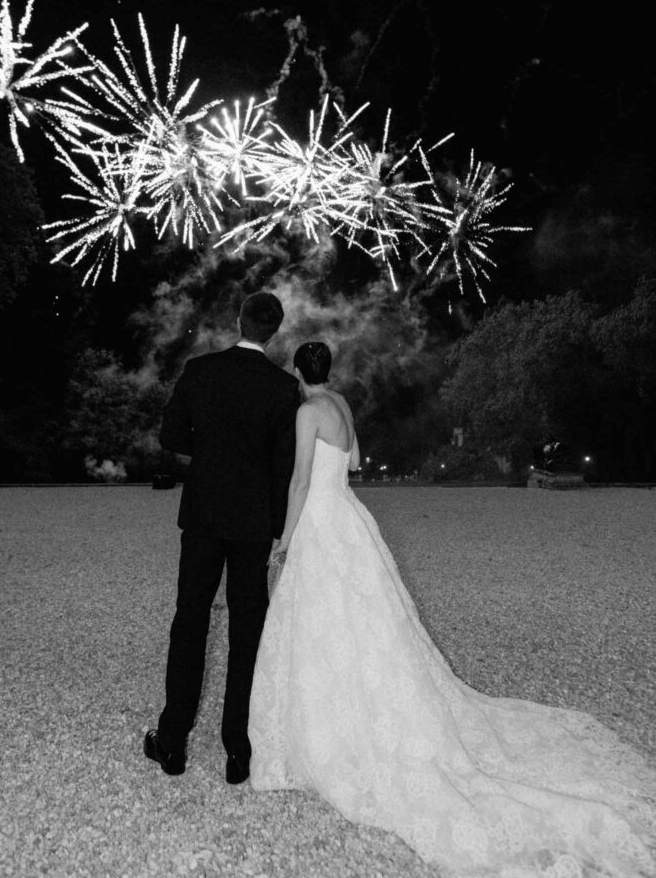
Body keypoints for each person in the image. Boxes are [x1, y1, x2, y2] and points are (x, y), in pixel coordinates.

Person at [249, 342, 656, 877]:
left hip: (322, 524)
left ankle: (329, 726)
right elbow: (353, 461)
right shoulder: (343, 405)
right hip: (349, 517)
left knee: (319, 621)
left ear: (297, 371)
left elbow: (301, 480)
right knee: (365, 623)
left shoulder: (307, 411)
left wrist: (284, 537)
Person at [144, 292, 299, 785]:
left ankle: (173, 741)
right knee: (246, 631)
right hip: (254, 520)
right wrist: (277, 527)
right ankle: (238, 747)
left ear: (238, 320)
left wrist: (207, 449)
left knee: (189, 620)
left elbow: (170, 437)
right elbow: (283, 465)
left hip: (206, 513)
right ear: (273, 332)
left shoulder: (200, 370)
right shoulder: (282, 387)